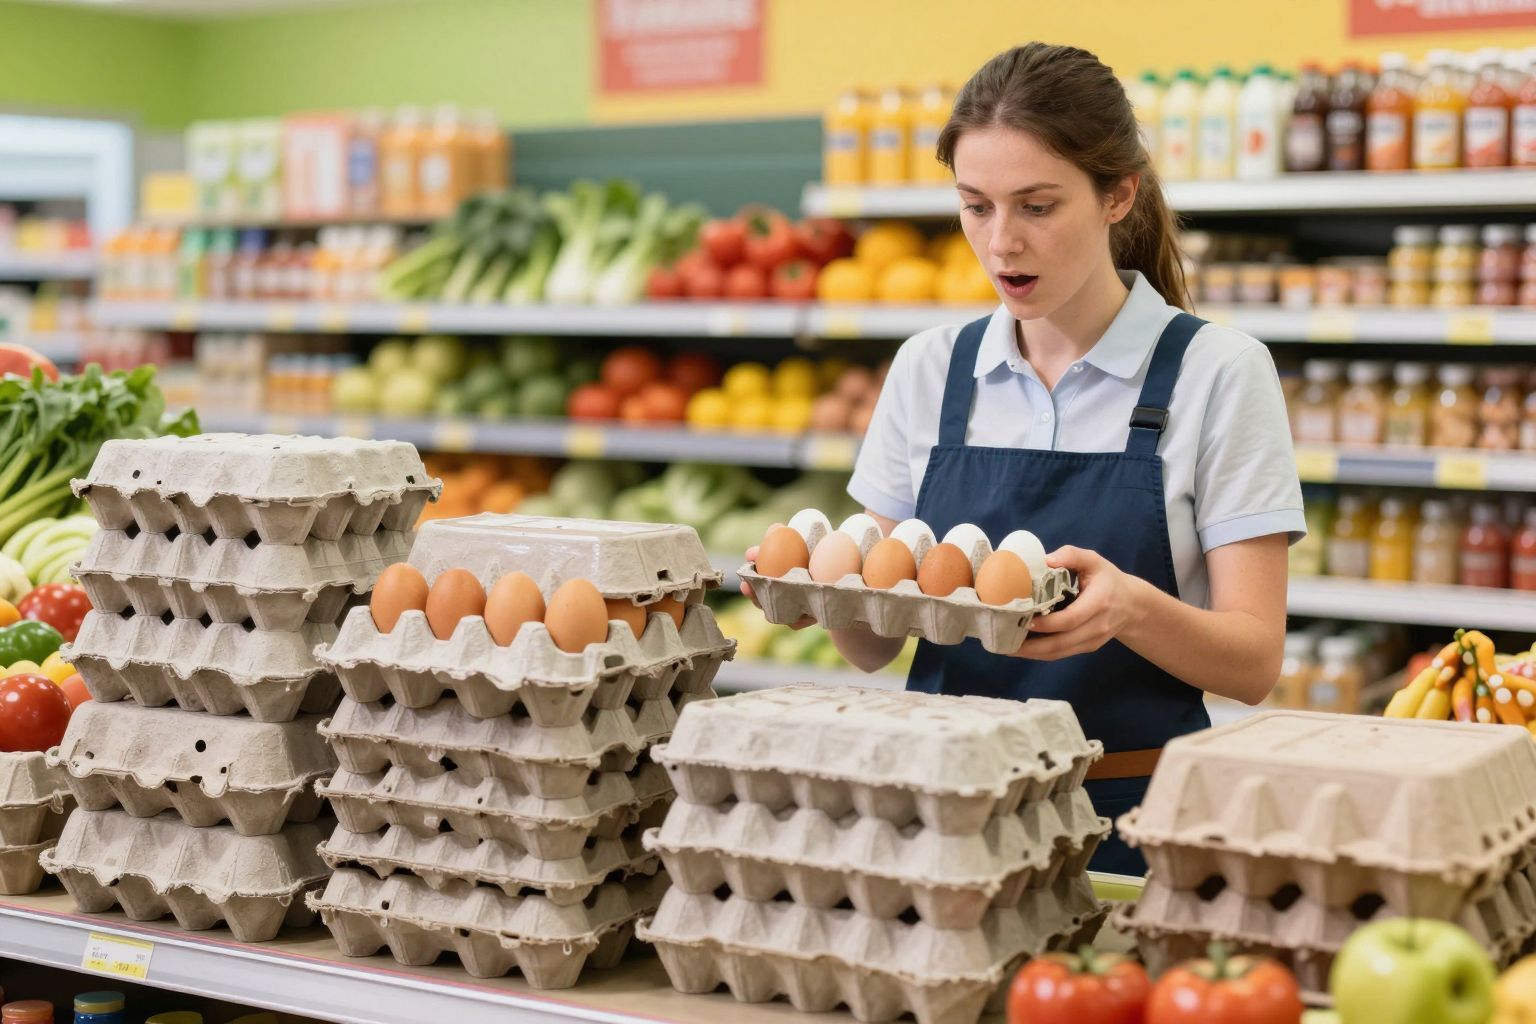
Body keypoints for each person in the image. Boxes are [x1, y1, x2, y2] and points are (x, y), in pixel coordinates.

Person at [749, 43, 1303, 874]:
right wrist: (821, 592)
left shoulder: (1218, 373)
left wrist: (1131, 611)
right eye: (975, 207)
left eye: (1037, 206)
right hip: (944, 817)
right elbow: (875, 647)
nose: (1002, 243)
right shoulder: (931, 368)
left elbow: (1254, 662)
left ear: (1119, 194)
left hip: (1131, 822)